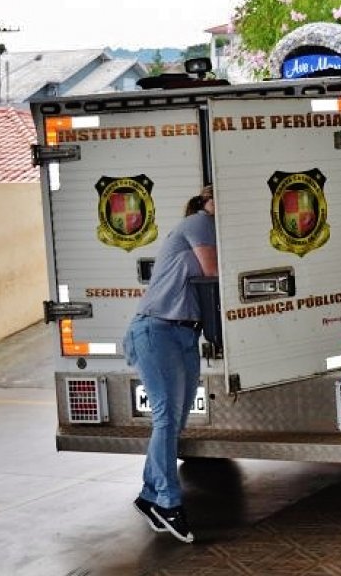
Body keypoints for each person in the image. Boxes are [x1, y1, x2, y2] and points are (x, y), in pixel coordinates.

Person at [122, 184, 217, 544]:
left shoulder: (213, 228)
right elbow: (212, 269)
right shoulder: (199, 222)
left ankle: (150, 495)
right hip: (156, 329)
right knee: (164, 417)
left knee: (174, 420)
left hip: (184, 334)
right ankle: (168, 501)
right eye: (216, 197)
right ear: (205, 201)